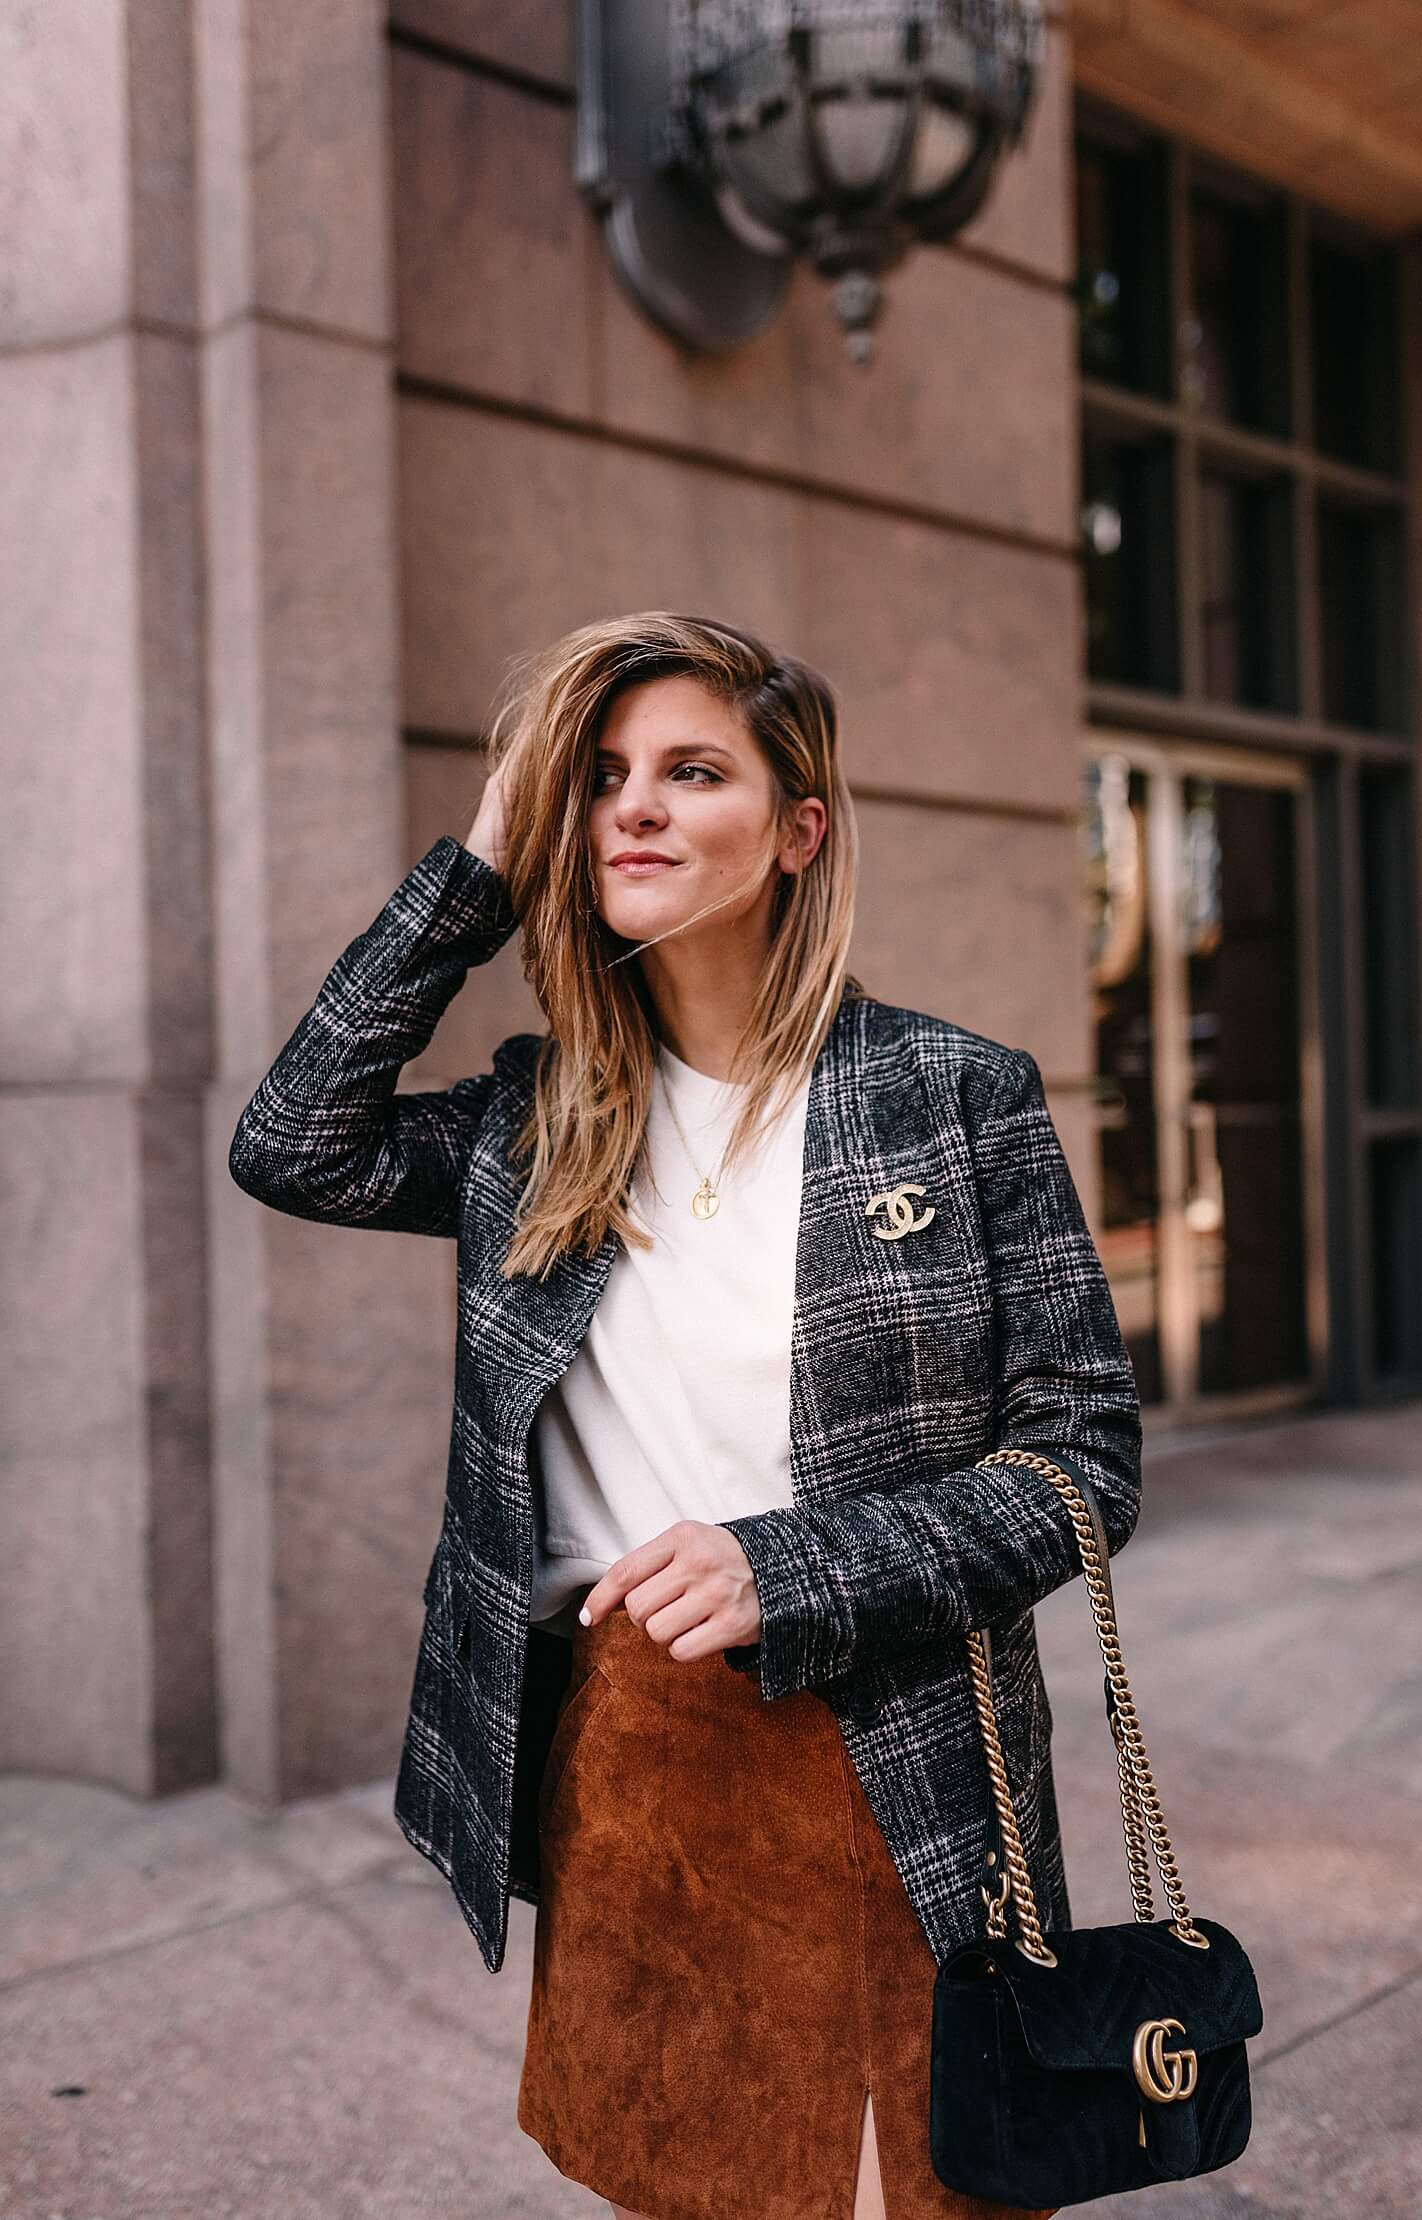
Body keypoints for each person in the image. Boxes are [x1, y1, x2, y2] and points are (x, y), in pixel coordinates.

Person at [228, 610, 1142, 2220]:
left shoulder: (948, 1092)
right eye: (602, 779)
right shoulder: (536, 1117)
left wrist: (793, 1568)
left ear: (799, 831)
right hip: (629, 1758)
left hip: (894, 1755)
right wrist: (482, 867)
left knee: (921, 2188)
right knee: (671, 2174)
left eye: (692, 770)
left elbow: (1083, 1464)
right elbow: (292, 1140)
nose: (633, 806)